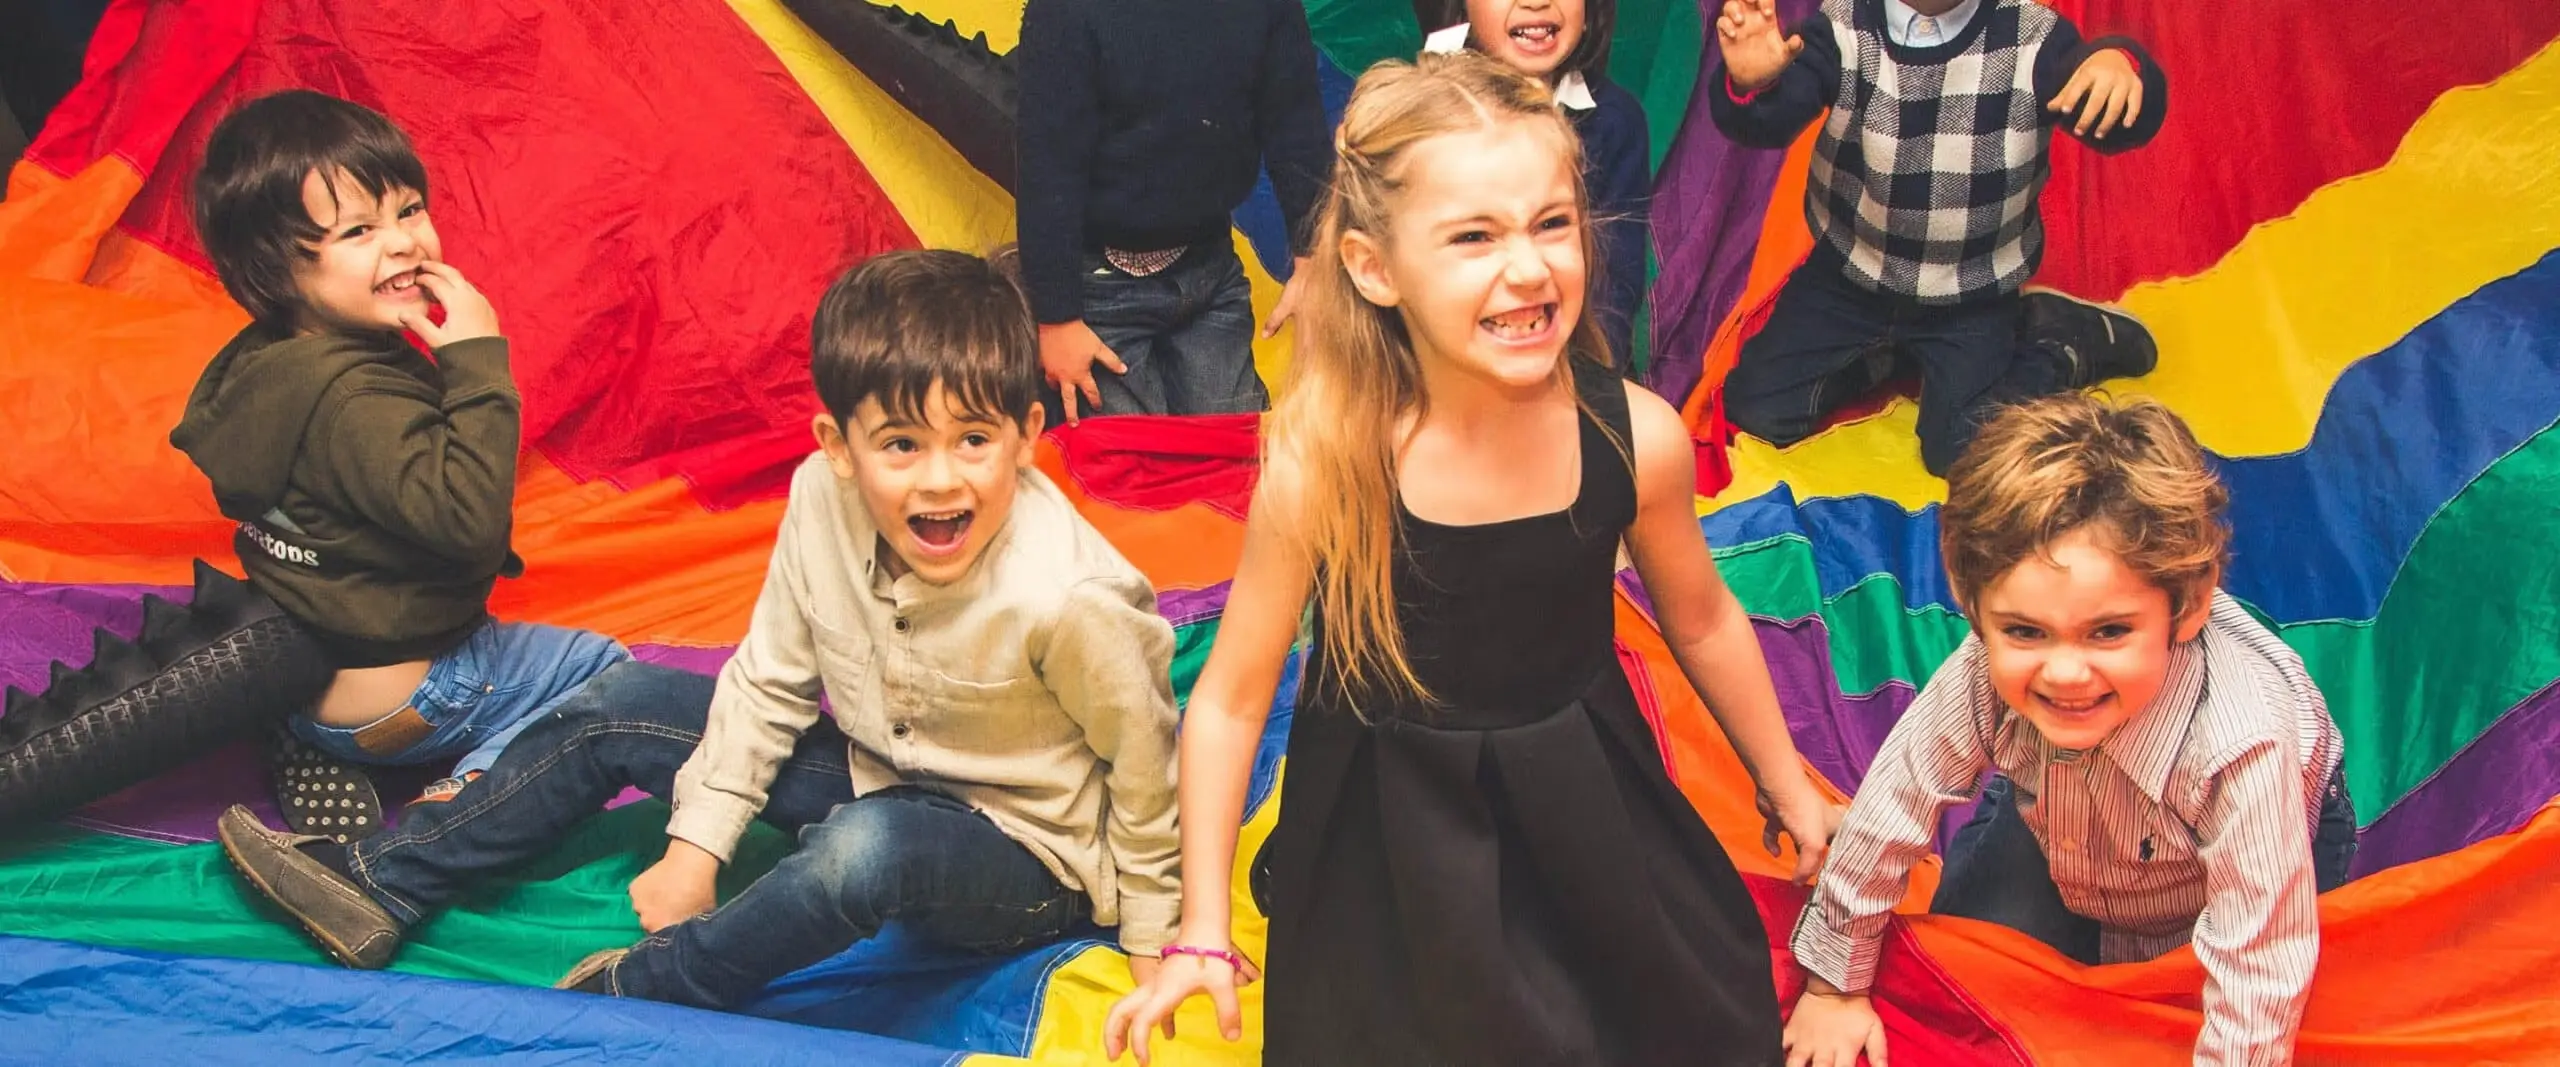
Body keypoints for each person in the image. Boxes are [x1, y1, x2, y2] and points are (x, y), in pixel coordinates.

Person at [1103, 52, 1835, 1067]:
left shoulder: (1635, 436)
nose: (1528, 268)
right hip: (1393, 828)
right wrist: (1200, 926)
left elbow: (1704, 618)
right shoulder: (1328, 463)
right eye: (1474, 237)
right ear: (1374, 268)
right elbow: (1229, 699)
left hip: (1580, 797)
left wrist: (1786, 781)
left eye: (1551, 223)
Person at [211, 249, 1185, 1010]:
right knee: (619, 699)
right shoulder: (819, 499)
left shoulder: (1069, 596)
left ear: (1026, 436)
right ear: (839, 448)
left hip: (1029, 850)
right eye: (900, 444)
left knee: (867, 847)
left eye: (974, 440)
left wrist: (1150, 938)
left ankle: (654, 985)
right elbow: (767, 681)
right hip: (883, 767)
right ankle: (381, 879)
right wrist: (696, 847)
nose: (941, 478)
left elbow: (1145, 767)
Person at [1781, 394, 2356, 1067]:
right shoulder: (1983, 671)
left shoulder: (2242, 741)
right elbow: (1893, 804)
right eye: (2026, 632)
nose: (2065, 674)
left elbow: (2261, 964)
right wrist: (1834, 988)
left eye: (2108, 631)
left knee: (2179, 1021)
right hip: (2056, 817)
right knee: (1965, 992)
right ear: (1974, 608)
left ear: (2190, 605)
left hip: (2232, 852)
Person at [171, 90, 628, 836]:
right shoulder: (357, 400)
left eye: (409, 210)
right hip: (408, 697)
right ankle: (461, 805)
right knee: (604, 671)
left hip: (300, 674)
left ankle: (300, 734)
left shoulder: (265, 364)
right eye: (359, 230)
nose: (404, 243)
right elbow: (468, 527)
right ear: (275, 270)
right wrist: (478, 363)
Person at [1707, 0, 2171, 475]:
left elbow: (2108, 117)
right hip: (1849, 276)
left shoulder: (2031, 37)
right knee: (1755, 409)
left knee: (1963, 450)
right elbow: (1771, 121)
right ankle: (1883, 357)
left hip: (1969, 295)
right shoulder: (1844, 24)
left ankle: (2052, 342)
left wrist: (2118, 66)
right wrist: (1756, 83)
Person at [1014, 0, 1333, 420]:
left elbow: (1295, 124)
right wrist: (1057, 319)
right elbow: (1047, 168)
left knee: (1234, 442)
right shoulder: (1066, 13)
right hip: (1098, 290)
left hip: (1209, 268)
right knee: (1126, 453)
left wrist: (1313, 255)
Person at [1420, 0, 1653, 378]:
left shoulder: (1615, 121)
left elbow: (1613, 292)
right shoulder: (1417, 112)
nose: (1536, 2)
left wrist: (1575, 386)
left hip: (1573, 371)